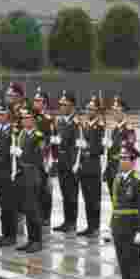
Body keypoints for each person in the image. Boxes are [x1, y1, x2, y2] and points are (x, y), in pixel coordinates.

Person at [110, 142, 140, 279]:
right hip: (118, 227)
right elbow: (116, 205)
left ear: (133, 161)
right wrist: (111, 225)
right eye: (120, 158)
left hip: (132, 228)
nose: (121, 161)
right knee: (123, 264)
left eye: (125, 158)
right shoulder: (118, 179)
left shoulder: (138, 181)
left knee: (133, 266)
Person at [13, 106, 46, 253]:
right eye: (23, 118)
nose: (25, 121)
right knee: (26, 208)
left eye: (28, 118)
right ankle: (30, 239)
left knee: (33, 209)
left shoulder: (38, 136)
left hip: (32, 173)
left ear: (33, 119)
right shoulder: (21, 134)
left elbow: (38, 157)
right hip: (22, 173)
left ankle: (37, 241)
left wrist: (22, 154)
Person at [0, 102, 18, 247]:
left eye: (2, 114)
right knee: (2, 204)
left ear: (8, 116)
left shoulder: (12, 130)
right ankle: (4, 234)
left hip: (7, 171)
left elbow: (11, 151)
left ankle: (11, 236)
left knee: (8, 205)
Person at [52, 90, 80, 234]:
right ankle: (66, 221)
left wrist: (75, 163)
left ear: (72, 106)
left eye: (65, 104)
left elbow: (77, 145)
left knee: (72, 194)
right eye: (60, 104)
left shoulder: (76, 121)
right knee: (64, 193)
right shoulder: (60, 120)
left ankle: (72, 222)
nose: (62, 107)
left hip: (71, 162)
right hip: (61, 161)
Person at [77, 96, 106, 237]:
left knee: (95, 199)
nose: (89, 111)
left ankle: (95, 227)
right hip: (83, 166)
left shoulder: (99, 126)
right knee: (87, 198)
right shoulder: (84, 124)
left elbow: (100, 149)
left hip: (93, 166)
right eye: (87, 108)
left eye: (92, 109)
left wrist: (88, 148)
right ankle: (90, 226)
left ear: (97, 111)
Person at [104, 96, 135, 199]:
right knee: (113, 198)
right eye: (113, 110)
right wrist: (107, 168)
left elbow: (129, 150)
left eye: (116, 110)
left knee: (121, 200)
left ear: (122, 111)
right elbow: (110, 152)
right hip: (111, 169)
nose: (114, 112)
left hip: (121, 169)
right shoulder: (114, 129)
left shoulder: (128, 129)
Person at [32, 88, 55, 227]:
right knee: (35, 189)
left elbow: (50, 140)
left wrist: (50, 160)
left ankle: (46, 217)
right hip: (33, 158)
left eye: (39, 101)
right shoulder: (31, 118)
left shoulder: (48, 120)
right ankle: (38, 214)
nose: (35, 103)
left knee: (45, 189)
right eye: (34, 100)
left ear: (45, 104)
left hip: (44, 158)